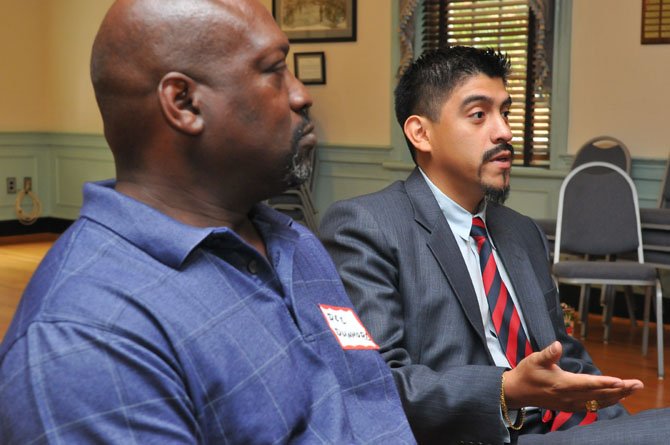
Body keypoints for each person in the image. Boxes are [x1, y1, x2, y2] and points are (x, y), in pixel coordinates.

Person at [0, 1, 415, 443]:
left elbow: (365, 400)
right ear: (184, 103)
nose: (302, 95)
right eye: (275, 70)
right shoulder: (84, 341)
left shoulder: (294, 243)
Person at [319, 46, 670, 444]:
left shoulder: (522, 231)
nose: (504, 131)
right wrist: (506, 390)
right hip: (484, 432)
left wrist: (615, 422)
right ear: (421, 133)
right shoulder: (367, 226)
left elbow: (563, 352)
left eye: (505, 111)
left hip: (566, 427)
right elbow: (378, 381)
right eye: (478, 114)